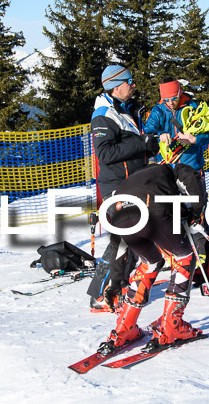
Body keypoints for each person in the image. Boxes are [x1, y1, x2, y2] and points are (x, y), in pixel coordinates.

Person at [98, 163, 207, 354]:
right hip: (152, 211)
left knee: (151, 263)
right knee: (184, 258)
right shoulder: (168, 170)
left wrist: (116, 280)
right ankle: (171, 326)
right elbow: (191, 177)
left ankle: (125, 327)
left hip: (121, 218)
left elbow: (117, 244)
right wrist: (197, 213)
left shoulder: (127, 182)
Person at [87, 65, 160, 312]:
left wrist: (149, 147)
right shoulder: (103, 115)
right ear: (116, 85)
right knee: (122, 240)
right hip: (116, 187)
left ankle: (117, 286)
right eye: (130, 80)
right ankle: (101, 294)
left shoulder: (125, 109)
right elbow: (105, 153)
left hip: (132, 183)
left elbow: (131, 147)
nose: (134, 85)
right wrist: (141, 144)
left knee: (133, 237)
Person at [144, 78, 209, 175]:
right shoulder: (158, 111)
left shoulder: (193, 108)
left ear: (180, 93)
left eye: (174, 98)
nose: (171, 103)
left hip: (192, 167)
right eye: (166, 100)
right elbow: (147, 133)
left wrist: (195, 139)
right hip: (167, 168)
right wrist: (160, 135)